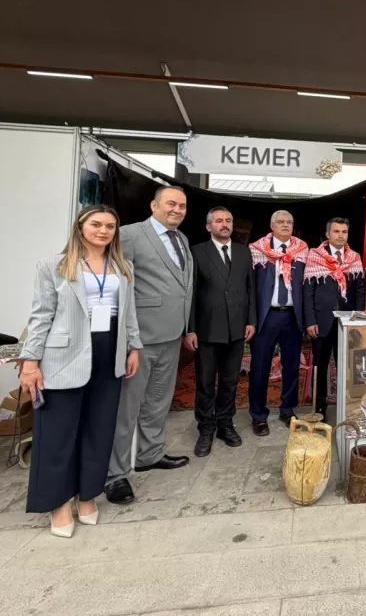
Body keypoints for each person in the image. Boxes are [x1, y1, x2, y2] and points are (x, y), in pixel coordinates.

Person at [20, 205, 141, 538]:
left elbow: (127, 312)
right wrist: (30, 362)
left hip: (109, 354)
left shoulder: (123, 267)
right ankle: (59, 503)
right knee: (58, 435)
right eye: (96, 224)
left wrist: (134, 346)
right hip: (65, 356)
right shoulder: (54, 267)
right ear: (80, 227)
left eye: (110, 226)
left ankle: (87, 495)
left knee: (98, 430)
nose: (103, 231)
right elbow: (40, 316)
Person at [106, 186, 193, 506]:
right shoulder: (129, 235)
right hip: (139, 339)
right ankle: (114, 473)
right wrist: (126, 337)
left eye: (182, 206)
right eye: (171, 204)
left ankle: (149, 455)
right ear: (154, 205)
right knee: (126, 409)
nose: (177, 210)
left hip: (171, 336)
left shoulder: (181, 239)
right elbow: (114, 284)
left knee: (158, 402)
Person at [185, 206, 256, 457]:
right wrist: (190, 329)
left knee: (229, 380)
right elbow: (190, 294)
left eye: (228, 220)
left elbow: (250, 289)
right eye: (219, 221)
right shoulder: (196, 252)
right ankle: (206, 428)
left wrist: (251, 321)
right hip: (207, 329)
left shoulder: (243, 252)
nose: (224, 224)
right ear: (209, 227)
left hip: (236, 328)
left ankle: (226, 424)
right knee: (205, 382)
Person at [248, 210, 309, 436]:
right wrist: (250, 319)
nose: (285, 225)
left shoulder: (303, 250)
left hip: (292, 316)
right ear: (271, 225)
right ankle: (258, 415)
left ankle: (287, 409)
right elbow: (250, 288)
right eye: (281, 222)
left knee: (292, 366)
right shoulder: (257, 250)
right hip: (267, 317)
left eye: (289, 222)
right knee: (260, 367)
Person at [304, 217, 365, 418]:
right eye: (337, 231)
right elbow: (309, 291)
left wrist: (358, 317)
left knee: (347, 365)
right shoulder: (315, 256)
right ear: (328, 234)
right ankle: (319, 407)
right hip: (322, 322)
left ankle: (346, 404)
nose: (341, 235)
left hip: (346, 323)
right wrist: (310, 320)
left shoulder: (354, 258)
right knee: (320, 366)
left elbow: (360, 292)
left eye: (344, 232)